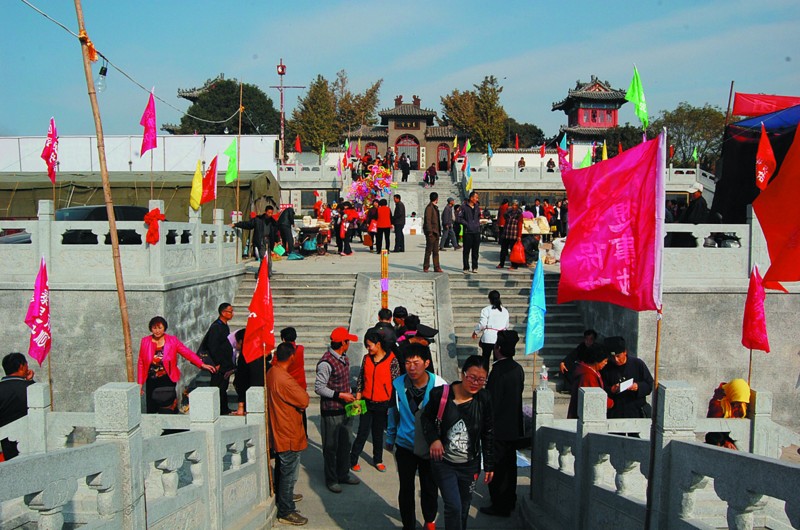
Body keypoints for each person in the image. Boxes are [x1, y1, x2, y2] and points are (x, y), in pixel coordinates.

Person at [422, 355, 494, 530]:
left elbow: (488, 432)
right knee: (453, 506)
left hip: (470, 464)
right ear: (463, 374)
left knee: (464, 507)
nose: (475, 383)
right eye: (472, 377)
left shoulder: (484, 399)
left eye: (481, 379)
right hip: (444, 462)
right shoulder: (441, 395)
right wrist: (434, 440)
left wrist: (490, 464)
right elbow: (426, 419)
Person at [386, 344, 447, 530]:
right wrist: (390, 437)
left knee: (429, 486)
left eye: (416, 362)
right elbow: (392, 412)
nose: (411, 367)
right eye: (407, 362)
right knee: (406, 488)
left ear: (427, 363)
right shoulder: (398, 385)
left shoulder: (440, 386)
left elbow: (446, 417)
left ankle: (429, 520)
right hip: (405, 445)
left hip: (431, 446)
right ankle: (408, 524)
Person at [481, 330, 524, 517]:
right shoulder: (517, 369)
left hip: (498, 427)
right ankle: (509, 499)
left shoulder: (498, 371)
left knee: (498, 467)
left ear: (497, 349)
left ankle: (499, 504)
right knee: (510, 465)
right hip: (513, 425)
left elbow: (492, 401)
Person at [266, 342, 310, 526]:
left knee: (284, 471)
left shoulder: (272, 372)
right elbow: (304, 400)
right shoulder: (283, 378)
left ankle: (284, 498)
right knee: (288, 472)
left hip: (281, 428)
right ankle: (286, 510)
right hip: (288, 430)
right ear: (291, 357)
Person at [137, 316, 217, 414]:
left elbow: (186, 352)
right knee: (152, 405)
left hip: (167, 378)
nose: (157, 331)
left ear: (164, 328)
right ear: (151, 328)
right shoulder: (145, 341)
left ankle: (171, 426)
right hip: (152, 379)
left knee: (169, 405)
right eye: (154, 328)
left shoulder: (172, 341)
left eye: (160, 328)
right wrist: (140, 384)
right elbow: (141, 363)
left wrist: (201, 364)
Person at [315, 327, 361, 493]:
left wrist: (350, 395)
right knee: (331, 447)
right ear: (343, 343)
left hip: (346, 409)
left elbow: (345, 382)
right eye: (348, 341)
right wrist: (340, 395)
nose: (349, 344)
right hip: (332, 411)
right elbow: (319, 388)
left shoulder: (344, 358)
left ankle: (343, 473)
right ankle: (332, 479)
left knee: (345, 443)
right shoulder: (326, 363)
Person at [350, 330, 400, 473]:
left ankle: (378, 460)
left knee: (378, 434)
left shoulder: (392, 360)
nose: (368, 348)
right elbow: (361, 379)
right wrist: (358, 400)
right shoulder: (366, 359)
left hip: (382, 403)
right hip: (366, 401)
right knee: (362, 432)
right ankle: (353, 459)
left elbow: (396, 382)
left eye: (369, 345)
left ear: (378, 344)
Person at [601, 336, 654, 424]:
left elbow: (649, 384)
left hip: (636, 411)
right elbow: (601, 387)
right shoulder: (606, 367)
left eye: (618, 356)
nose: (616, 360)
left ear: (625, 352)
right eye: (612, 357)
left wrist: (637, 386)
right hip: (615, 412)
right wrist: (611, 389)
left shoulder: (637, 364)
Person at [200, 303, 236, 415]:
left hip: (225, 363)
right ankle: (217, 410)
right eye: (230, 311)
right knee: (217, 388)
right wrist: (217, 362)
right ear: (223, 313)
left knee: (223, 387)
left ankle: (224, 409)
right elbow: (213, 346)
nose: (232, 314)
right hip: (219, 364)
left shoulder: (224, 325)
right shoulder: (216, 327)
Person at [0, 352, 35, 461]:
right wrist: (30, 381)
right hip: (30, 438)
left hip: (6, 440)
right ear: (21, 366)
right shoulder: (30, 388)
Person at [567, 343, 614, 419]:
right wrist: (611, 403)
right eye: (605, 361)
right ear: (597, 361)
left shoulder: (591, 371)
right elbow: (595, 398)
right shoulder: (588, 376)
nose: (606, 363)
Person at [232, 205, 277, 278]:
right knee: (263, 258)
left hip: (268, 241)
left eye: (271, 213)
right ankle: (261, 274)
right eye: (269, 213)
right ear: (265, 212)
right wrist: (236, 224)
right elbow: (248, 224)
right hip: (261, 240)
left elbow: (275, 232)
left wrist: (276, 241)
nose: (270, 214)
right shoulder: (258, 220)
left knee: (269, 259)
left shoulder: (273, 222)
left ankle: (267, 273)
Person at [706, 378, 750, 449]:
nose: (736, 406)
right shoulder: (718, 404)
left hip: (735, 436)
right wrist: (725, 442)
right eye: (736, 402)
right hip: (719, 437)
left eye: (740, 403)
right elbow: (714, 427)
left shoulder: (741, 405)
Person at [472, 290, 510, 366]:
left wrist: (476, 332)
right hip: (500, 338)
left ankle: (485, 376)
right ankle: (497, 376)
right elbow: (506, 326)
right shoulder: (505, 311)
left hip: (488, 337)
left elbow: (482, 324)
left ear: (489, 299)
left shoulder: (486, 310)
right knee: (498, 360)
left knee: (485, 359)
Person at [458, 191, 482, 273]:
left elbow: (479, 216)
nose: (477, 199)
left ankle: (475, 267)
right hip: (467, 232)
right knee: (466, 251)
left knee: (475, 251)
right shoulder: (464, 207)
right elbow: (459, 218)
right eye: (476, 197)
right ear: (471, 198)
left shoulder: (477, 207)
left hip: (476, 231)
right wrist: (467, 224)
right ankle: (466, 267)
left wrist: (479, 222)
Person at [497, 200, 522, 269]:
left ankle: (514, 265)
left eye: (515, 205)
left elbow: (520, 225)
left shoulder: (519, 213)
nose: (514, 206)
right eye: (513, 205)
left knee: (513, 250)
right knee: (503, 249)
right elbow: (504, 216)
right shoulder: (509, 211)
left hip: (514, 234)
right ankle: (501, 263)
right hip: (506, 232)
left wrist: (519, 236)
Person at [423, 192, 442, 273]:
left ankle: (436, 267)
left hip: (436, 232)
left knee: (436, 251)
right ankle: (426, 266)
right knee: (428, 250)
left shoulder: (435, 207)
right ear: (436, 199)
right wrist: (429, 232)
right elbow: (428, 220)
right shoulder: (429, 208)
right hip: (431, 232)